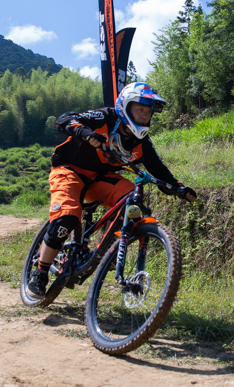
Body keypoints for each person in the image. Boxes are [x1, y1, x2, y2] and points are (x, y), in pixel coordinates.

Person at [27, 82, 197, 298]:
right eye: (140, 109)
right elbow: (63, 120)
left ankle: (102, 251)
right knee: (67, 219)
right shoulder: (104, 117)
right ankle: (40, 272)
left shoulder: (141, 141)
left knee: (131, 202)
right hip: (69, 170)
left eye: (148, 111)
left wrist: (178, 188)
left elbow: (158, 169)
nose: (145, 115)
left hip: (101, 178)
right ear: (126, 107)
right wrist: (85, 132)